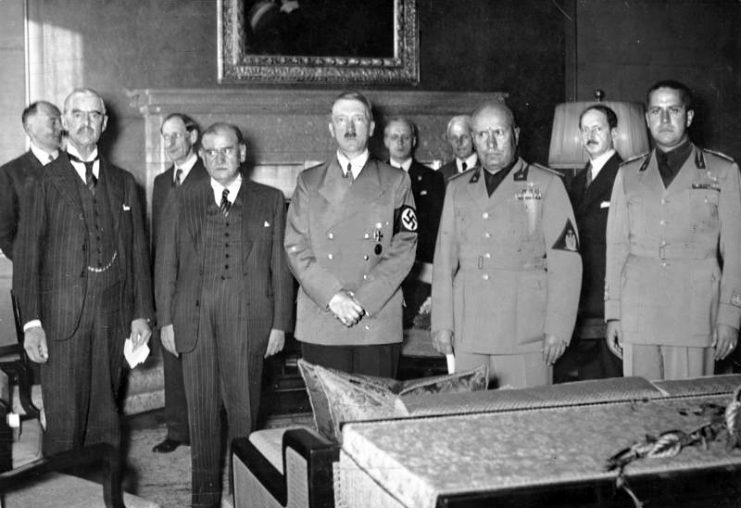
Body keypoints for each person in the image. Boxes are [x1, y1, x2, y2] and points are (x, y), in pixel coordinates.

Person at [155, 122, 293, 507]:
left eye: (227, 150)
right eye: (211, 152)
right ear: (202, 155)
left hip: (249, 323)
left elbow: (280, 269)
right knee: (200, 420)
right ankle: (204, 501)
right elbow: (165, 264)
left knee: (244, 416)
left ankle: (244, 496)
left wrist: (280, 323)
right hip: (193, 323)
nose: (219, 158)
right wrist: (165, 320)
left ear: (242, 152)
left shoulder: (269, 199)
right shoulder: (182, 199)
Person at [13, 88, 153, 456]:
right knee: (63, 421)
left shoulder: (124, 183)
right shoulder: (42, 182)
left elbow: (138, 252)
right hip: (61, 322)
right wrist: (32, 324)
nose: (86, 122)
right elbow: (27, 260)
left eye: (94, 115)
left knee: (106, 418)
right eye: (78, 114)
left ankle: (104, 494)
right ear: (65, 122)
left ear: (104, 124)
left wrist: (142, 314)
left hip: (112, 317)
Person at [431, 101, 581, 388]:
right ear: (473, 139)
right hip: (469, 328)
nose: (490, 143)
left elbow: (567, 265)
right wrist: (442, 323)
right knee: (469, 419)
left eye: (498, 132)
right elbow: (443, 262)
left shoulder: (545, 184)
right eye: (482, 134)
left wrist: (558, 329)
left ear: (516, 134)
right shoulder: (458, 188)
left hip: (524, 330)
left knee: (525, 422)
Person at [605, 80, 741, 380]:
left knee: (689, 413)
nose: (664, 120)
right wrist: (613, 313)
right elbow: (616, 249)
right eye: (656, 111)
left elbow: (736, 253)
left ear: (689, 117)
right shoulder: (628, 174)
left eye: (673, 110)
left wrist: (730, 316)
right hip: (639, 313)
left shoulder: (722, 171)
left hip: (694, 314)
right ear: (647, 118)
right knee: (639, 410)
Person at [284, 91, 417, 377]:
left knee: (375, 412)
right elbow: (295, 246)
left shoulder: (396, 180)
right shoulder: (309, 182)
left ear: (371, 128)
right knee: (329, 414)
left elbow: (405, 245)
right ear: (331, 128)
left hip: (376, 316)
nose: (350, 127)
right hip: (324, 315)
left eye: (358, 119)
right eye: (341, 120)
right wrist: (334, 297)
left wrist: (364, 300)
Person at [150, 113, 209, 454]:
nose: (169, 143)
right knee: (172, 358)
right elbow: (158, 240)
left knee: (201, 362)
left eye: (175, 136)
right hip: (168, 285)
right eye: (164, 136)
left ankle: (205, 430)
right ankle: (177, 430)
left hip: (199, 287)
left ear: (193, 136)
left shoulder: (209, 176)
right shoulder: (161, 183)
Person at [554, 105, 623, 382]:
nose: (590, 135)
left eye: (598, 128)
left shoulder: (625, 175)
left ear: (614, 133)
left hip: (610, 305)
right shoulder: (576, 182)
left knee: (615, 384)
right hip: (582, 305)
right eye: (585, 129)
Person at [383, 117, 445, 328]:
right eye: (394, 137)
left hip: (422, 275)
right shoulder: (373, 177)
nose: (400, 143)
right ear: (385, 141)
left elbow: (438, 230)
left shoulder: (432, 179)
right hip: (385, 276)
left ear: (414, 141)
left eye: (405, 137)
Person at [0, 101, 62, 259]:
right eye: (53, 121)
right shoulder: (10, 174)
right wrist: (30, 265)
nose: (60, 128)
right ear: (30, 128)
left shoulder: (78, 166)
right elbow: (4, 234)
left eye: (61, 121)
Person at [438, 115, 478, 181]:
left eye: (464, 137)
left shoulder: (488, 171)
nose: (459, 142)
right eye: (454, 138)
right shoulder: (441, 175)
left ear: (473, 137)